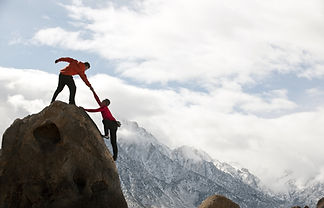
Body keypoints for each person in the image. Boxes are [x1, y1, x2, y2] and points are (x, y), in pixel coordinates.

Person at [83, 89, 121, 161]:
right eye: (102, 101)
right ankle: (114, 157)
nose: (102, 101)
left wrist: (85, 109)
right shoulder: (102, 106)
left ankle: (107, 135)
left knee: (105, 121)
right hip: (113, 124)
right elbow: (97, 99)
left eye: (103, 101)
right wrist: (93, 91)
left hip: (113, 124)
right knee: (113, 141)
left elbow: (95, 110)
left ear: (105, 104)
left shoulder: (104, 108)